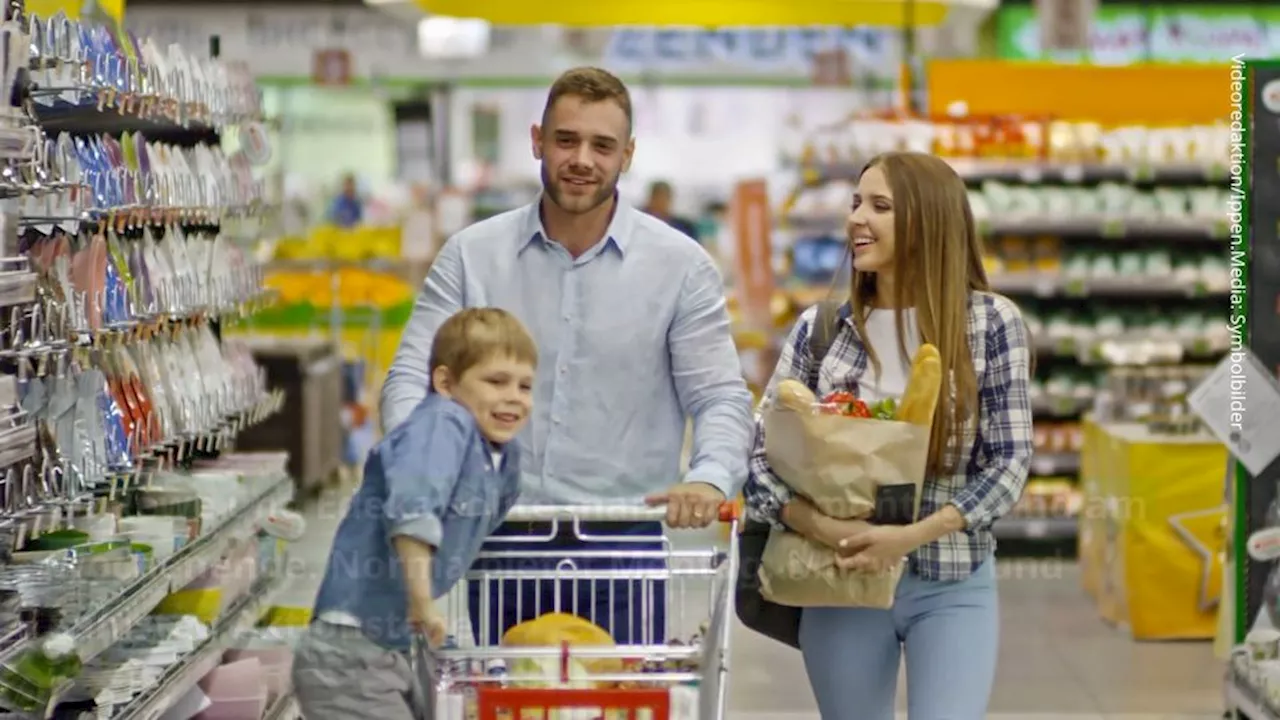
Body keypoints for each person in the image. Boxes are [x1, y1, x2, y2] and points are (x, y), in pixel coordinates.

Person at [380, 66, 754, 647]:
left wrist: (708, 477)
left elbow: (719, 396)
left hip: (626, 543)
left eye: (602, 145)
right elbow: (412, 375)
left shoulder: (680, 268)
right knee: (507, 706)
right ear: (538, 140)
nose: (583, 158)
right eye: (566, 140)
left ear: (627, 155)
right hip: (502, 539)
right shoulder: (472, 256)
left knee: (622, 705)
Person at [744, 151, 1033, 720]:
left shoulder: (991, 324)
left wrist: (913, 534)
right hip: (838, 579)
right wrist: (821, 525)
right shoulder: (821, 330)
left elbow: (1010, 463)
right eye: (855, 203)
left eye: (879, 206)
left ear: (928, 221)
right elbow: (758, 460)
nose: (856, 219)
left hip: (951, 578)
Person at [293, 308, 537, 719]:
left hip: (397, 646)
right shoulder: (442, 423)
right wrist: (423, 602)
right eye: (496, 381)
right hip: (351, 652)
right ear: (445, 382)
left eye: (525, 385)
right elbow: (413, 511)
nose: (513, 396)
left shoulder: (504, 457)